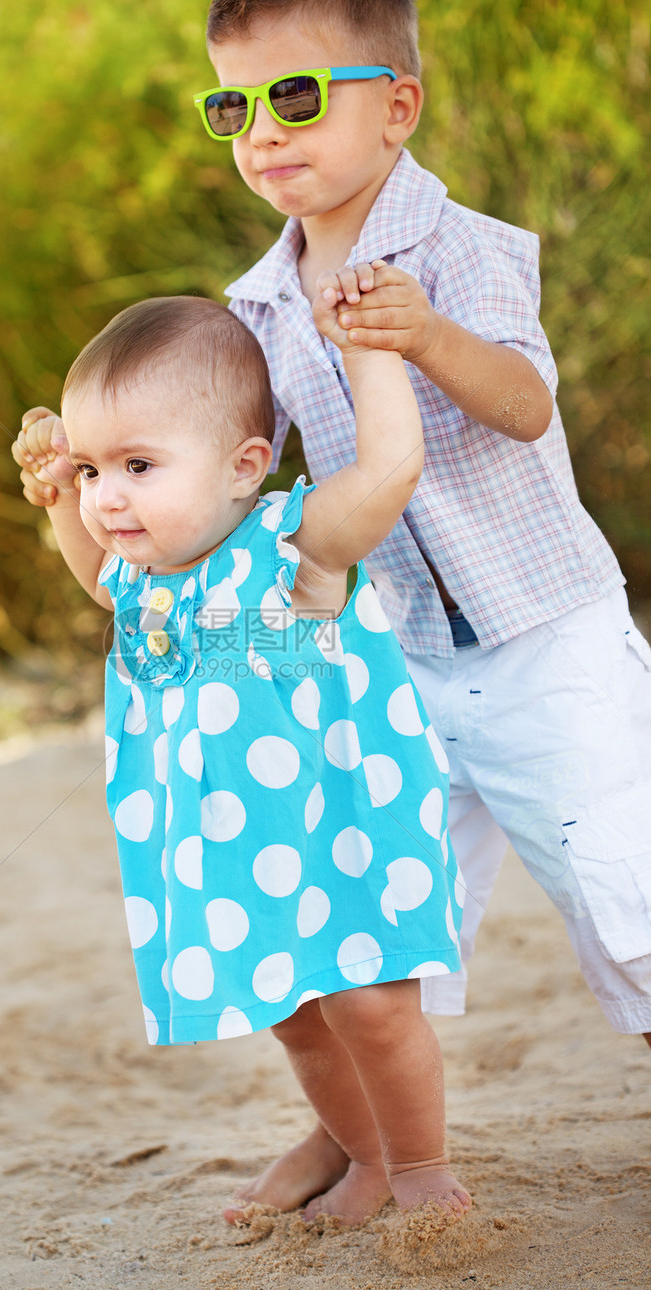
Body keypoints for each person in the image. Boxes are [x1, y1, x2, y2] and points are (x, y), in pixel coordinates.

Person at [182, 0, 651, 1223]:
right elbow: (226, 463)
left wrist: (428, 336)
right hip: (382, 667)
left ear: (395, 106)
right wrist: (95, 468)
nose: (259, 134)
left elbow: (523, 405)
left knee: (626, 893)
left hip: (545, 641)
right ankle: (359, 1140)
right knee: (369, 925)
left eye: (295, 97)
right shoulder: (257, 305)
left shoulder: (463, 250)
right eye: (232, 106)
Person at [12, 292, 473, 1228]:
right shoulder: (144, 581)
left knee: (374, 1010)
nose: (110, 494)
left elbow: (388, 471)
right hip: (233, 852)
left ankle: (422, 1168)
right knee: (298, 1021)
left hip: (340, 831)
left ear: (245, 466)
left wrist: (371, 354)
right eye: (95, 468)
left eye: (138, 466)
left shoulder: (289, 547)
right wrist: (60, 497)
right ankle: (368, 1161)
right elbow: (96, 580)